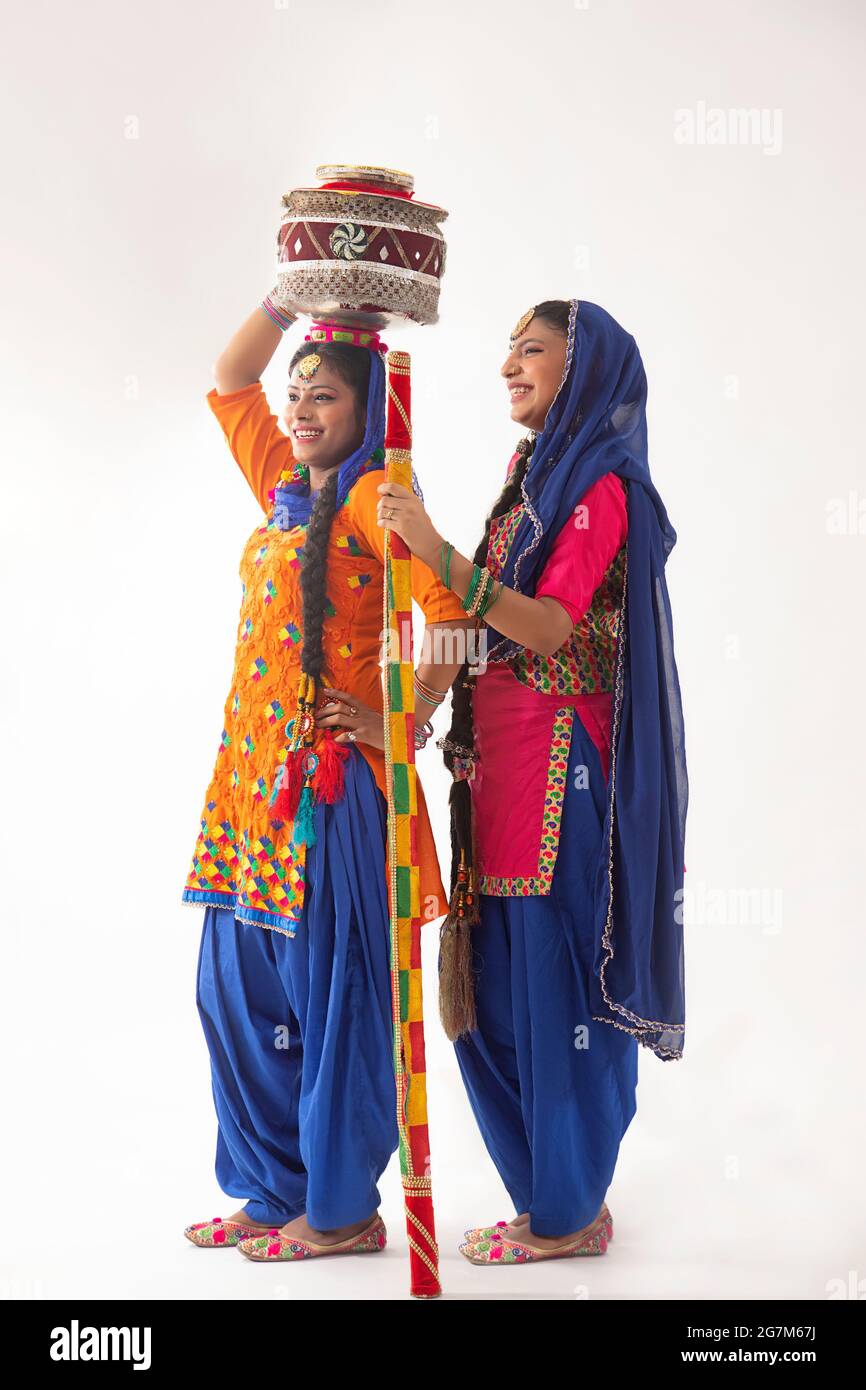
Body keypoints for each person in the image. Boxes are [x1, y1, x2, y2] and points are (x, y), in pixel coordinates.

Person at [376, 298, 688, 1266]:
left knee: (559, 1001)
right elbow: (482, 628)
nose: (508, 364)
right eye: (506, 349)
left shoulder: (601, 487)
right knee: (497, 999)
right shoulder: (527, 484)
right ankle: (548, 1198)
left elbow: (546, 628)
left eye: (532, 350)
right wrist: (419, 698)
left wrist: (431, 547)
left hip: (561, 779)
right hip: (494, 776)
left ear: (583, 368)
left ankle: (566, 1210)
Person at [181, 287, 473, 1263]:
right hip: (249, 791)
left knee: (338, 999)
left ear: (362, 417)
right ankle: (273, 1189)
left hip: (334, 796)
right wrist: (282, 301)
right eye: (297, 392)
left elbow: (453, 615)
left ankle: (340, 1208)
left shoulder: (366, 496)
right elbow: (230, 378)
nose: (300, 409)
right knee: (234, 995)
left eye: (325, 399)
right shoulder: (284, 487)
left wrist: (404, 721)